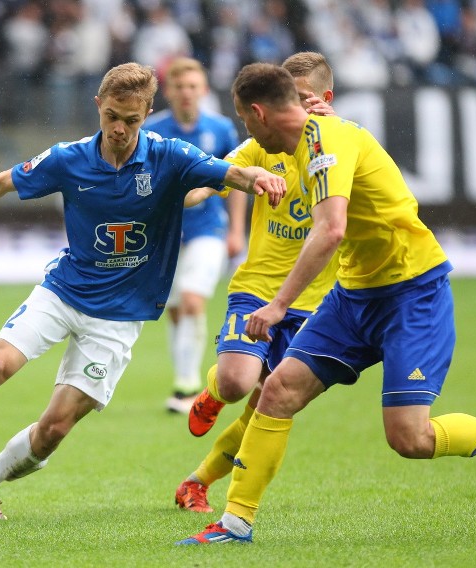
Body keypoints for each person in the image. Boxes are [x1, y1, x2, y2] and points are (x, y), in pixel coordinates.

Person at [0, 62, 287, 520]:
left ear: (148, 112)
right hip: (65, 291)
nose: (120, 128)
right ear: (98, 106)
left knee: (54, 428)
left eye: (131, 120)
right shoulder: (69, 158)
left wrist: (259, 179)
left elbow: (229, 174)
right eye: (112, 116)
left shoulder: (170, 156)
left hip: (119, 316)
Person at [178, 62, 476, 545]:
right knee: (276, 392)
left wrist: (279, 304)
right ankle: (234, 523)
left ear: (257, 113)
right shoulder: (292, 143)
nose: (246, 130)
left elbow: (331, 228)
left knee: (410, 439)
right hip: (354, 294)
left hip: (412, 292)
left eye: (244, 121)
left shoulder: (327, 141)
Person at [175, 52, 339, 513]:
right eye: (286, 95)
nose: (294, 105)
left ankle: (196, 483)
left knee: (267, 403)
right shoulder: (261, 146)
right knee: (235, 382)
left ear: (324, 100)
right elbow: (207, 183)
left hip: (317, 301)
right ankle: (212, 390)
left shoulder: (342, 144)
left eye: (303, 97)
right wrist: (186, 192)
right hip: (259, 287)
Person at [144, 57, 245, 414]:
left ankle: (187, 387)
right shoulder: (153, 131)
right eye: (179, 87)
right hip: (166, 234)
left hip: (208, 229)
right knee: (173, 310)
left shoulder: (220, 130)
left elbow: (235, 181)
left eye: (193, 86)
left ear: (203, 90)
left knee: (191, 301)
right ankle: (183, 377)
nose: (186, 93)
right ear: (169, 91)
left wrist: (235, 230)